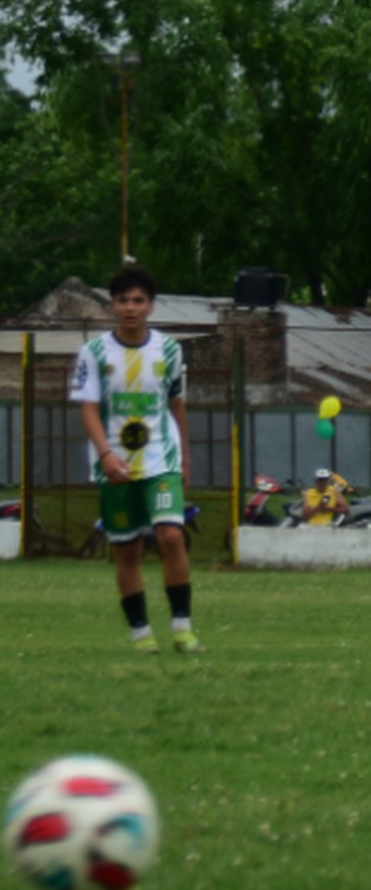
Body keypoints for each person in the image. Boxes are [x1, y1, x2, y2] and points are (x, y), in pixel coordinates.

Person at [71, 264, 203, 653]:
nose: (131, 307)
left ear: (150, 306)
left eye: (138, 300)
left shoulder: (169, 350)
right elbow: (89, 408)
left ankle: (182, 628)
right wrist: (106, 454)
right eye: (124, 300)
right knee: (126, 549)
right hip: (114, 466)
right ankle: (141, 633)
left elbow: (177, 405)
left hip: (161, 461)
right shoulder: (94, 353)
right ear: (112, 305)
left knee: (171, 535)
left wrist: (185, 458)